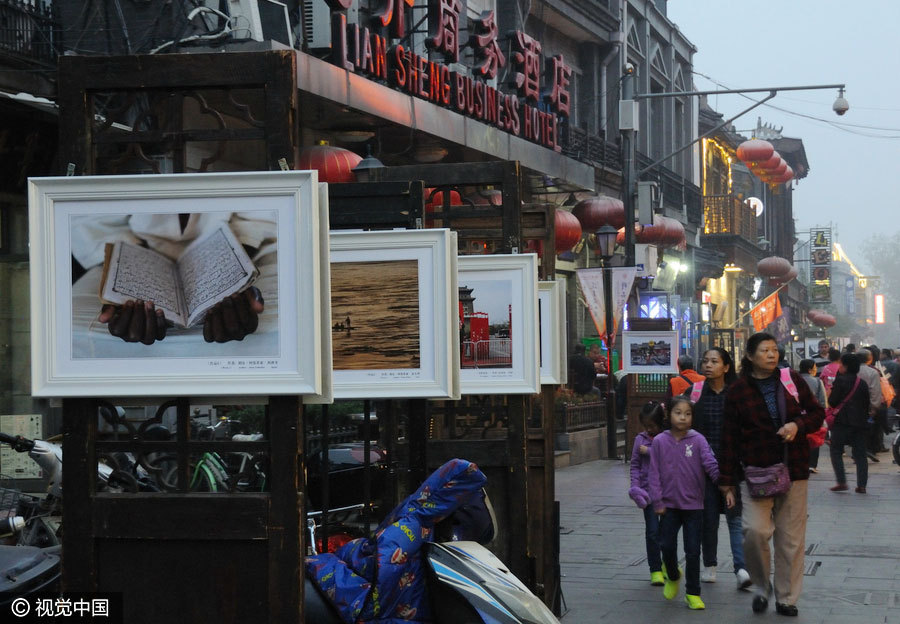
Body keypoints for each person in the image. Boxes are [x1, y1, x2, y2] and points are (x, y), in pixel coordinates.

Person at [718, 332, 824, 617]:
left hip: (794, 468)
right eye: (764, 350)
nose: (771, 354)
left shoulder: (792, 381)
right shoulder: (738, 391)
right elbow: (728, 438)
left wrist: (796, 425)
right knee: (754, 531)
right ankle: (762, 586)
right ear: (750, 356)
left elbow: (817, 414)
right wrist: (726, 482)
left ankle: (786, 597)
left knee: (790, 539)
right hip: (755, 473)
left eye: (774, 350)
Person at [70, 212, 275, 354]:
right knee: (71, 332)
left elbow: (260, 217)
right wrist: (127, 281)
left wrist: (234, 276)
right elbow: (92, 222)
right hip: (132, 245)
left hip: (241, 243)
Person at [684, 347, 751, 590]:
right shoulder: (695, 392)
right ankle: (710, 565)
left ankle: (741, 568)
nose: (708, 365)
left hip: (732, 464)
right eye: (705, 361)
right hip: (701, 466)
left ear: (726, 366)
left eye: (714, 361)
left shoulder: (738, 393)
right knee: (708, 519)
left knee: (735, 518)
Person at [648, 396, 719, 610]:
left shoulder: (698, 440)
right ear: (668, 415)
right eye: (678, 413)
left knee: (693, 551)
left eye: (688, 414)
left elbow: (710, 464)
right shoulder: (660, 441)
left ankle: (693, 592)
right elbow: (653, 473)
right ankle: (672, 574)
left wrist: (725, 482)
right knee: (666, 545)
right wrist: (657, 500)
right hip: (668, 506)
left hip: (694, 506)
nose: (683, 417)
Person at [628, 401, 665, 587]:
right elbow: (634, 465)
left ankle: (668, 563)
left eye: (653, 426)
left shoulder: (667, 438)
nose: (649, 430)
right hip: (648, 493)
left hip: (667, 493)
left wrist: (649, 452)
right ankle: (655, 569)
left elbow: (669, 457)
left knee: (667, 533)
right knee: (652, 531)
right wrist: (635, 487)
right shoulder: (639, 440)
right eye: (646, 426)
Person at [827, 353, 870, 493]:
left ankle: (841, 481)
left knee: (836, 451)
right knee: (860, 454)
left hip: (842, 422)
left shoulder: (840, 381)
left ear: (845, 366)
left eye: (841, 364)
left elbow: (832, 401)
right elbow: (866, 404)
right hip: (859, 423)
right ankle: (861, 485)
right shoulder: (862, 383)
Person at [798, 359, 827, 473]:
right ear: (810, 370)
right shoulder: (817, 381)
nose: (816, 370)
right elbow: (823, 401)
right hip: (813, 414)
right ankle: (812, 465)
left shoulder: (795, 380)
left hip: (797, 414)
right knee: (814, 438)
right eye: (815, 368)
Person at [856, 348, 884, 456]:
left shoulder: (852, 371)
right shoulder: (873, 372)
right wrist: (875, 406)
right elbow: (875, 390)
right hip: (868, 405)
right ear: (870, 359)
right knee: (870, 428)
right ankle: (869, 449)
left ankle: (858, 450)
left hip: (853, 405)